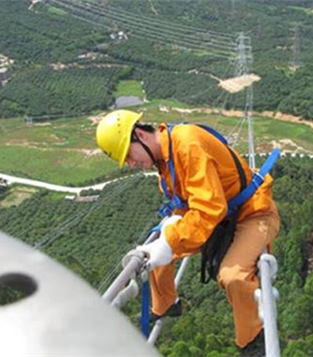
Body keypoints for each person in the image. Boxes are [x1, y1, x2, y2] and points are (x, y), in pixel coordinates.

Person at [95, 109, 280, 356]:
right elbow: (189, 207)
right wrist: (167, 235)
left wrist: (171, 239)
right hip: (220, 217)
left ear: (140, 135)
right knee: (157, 250)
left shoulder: (188, 144)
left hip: (252, 214)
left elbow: (209, 208)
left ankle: (252, 340)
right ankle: (166, 304)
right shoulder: (165, 161)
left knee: (233, 276)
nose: (131, 164)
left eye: (128, 155)